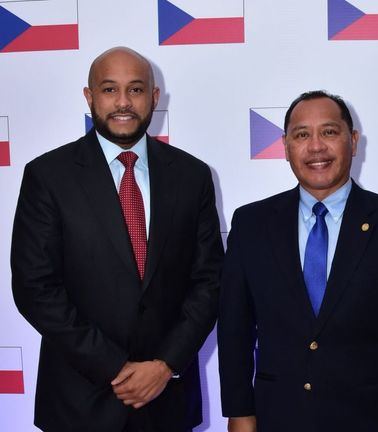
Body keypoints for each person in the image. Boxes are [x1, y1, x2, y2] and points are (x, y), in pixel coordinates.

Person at [11, 47, 224, 432]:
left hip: (167, 401)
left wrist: (164, 366)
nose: (123, 102)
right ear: (89, 97)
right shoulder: (48, 176)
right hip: (79, 404)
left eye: (136, 90)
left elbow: (209, 282)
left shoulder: (192, 176)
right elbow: (34, 288)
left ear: (155, 98)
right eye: (109, 90)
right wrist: (117, 368)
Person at [218, 90, 378, 432]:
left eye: (329, 132)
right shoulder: (251, 224)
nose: (316, 146)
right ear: (285, 146)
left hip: (370, 418)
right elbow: (234, 330)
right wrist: (239, 413)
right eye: (302, 135)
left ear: (353, 141)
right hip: (277, 418)